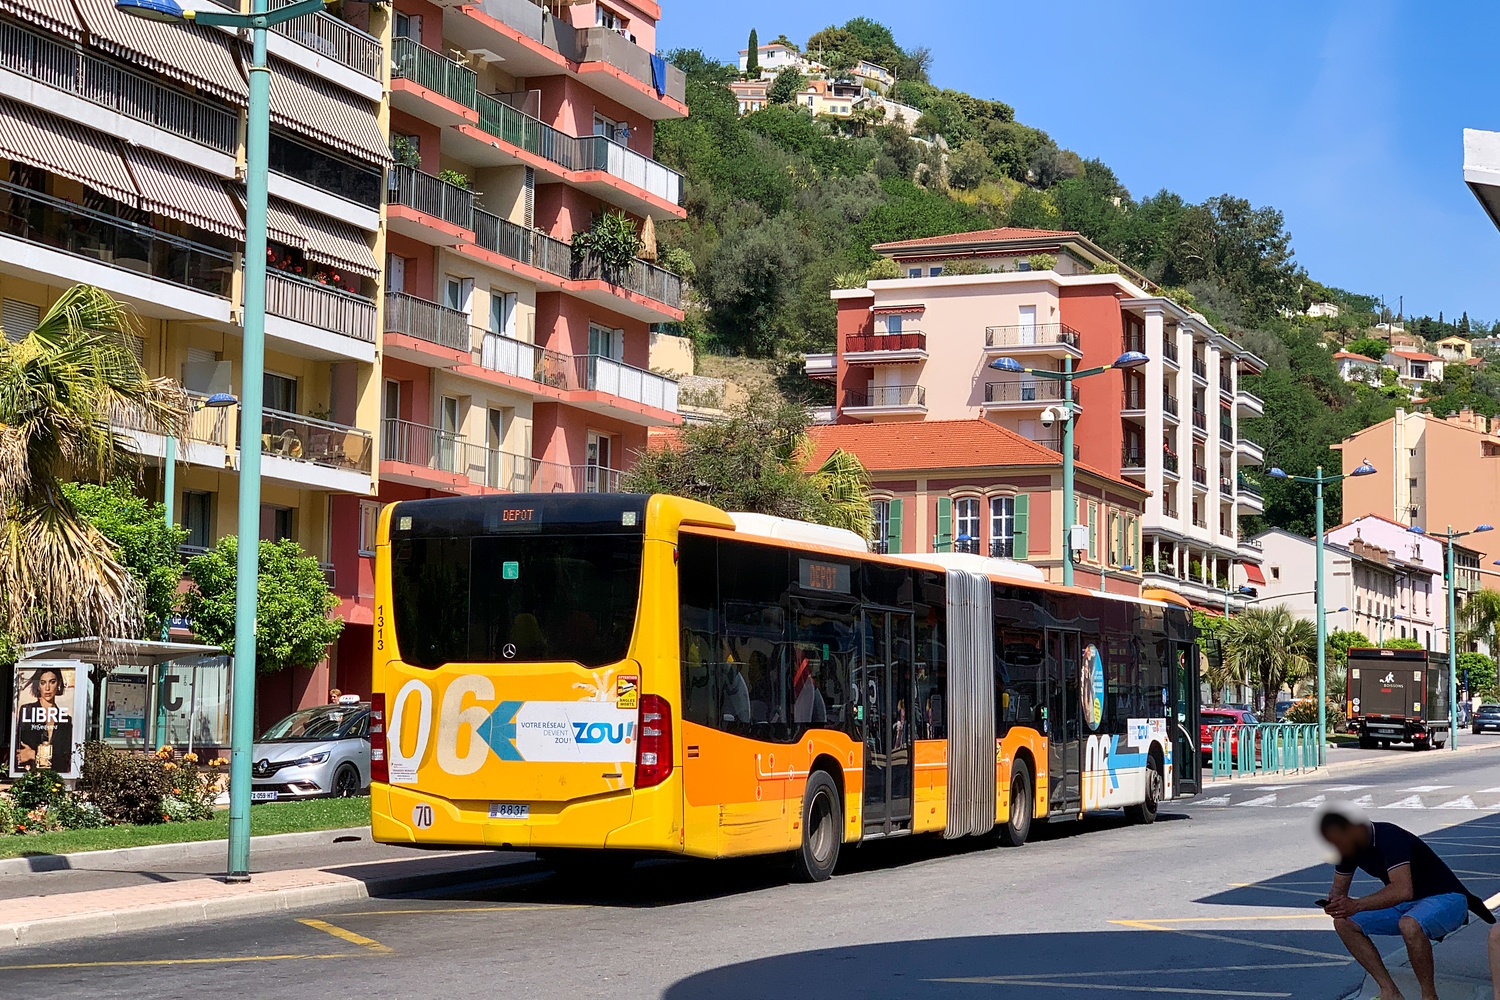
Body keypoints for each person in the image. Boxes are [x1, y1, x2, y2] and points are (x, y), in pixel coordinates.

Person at [1320, 807, 1492, 1000]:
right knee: (1343, 922)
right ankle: (1389, 992)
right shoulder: (1349, 847)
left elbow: (1402, 890)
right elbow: (1338, 890)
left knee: (1409, 924)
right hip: (1409, 903)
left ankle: (1429, 996)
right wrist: (1334, 903)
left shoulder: (1389, 837)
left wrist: (1357, 905)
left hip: (1448, 897)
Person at [14, 666, 73, 774]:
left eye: (52, 682)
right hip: (29, 774)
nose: (47, 688)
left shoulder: (66, 720)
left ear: (59, 684)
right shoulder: (27, 711)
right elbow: (20, 749)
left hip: (56, 776)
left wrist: (33, 754)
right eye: (43, 683)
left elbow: (64, 758)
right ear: (38, 685)